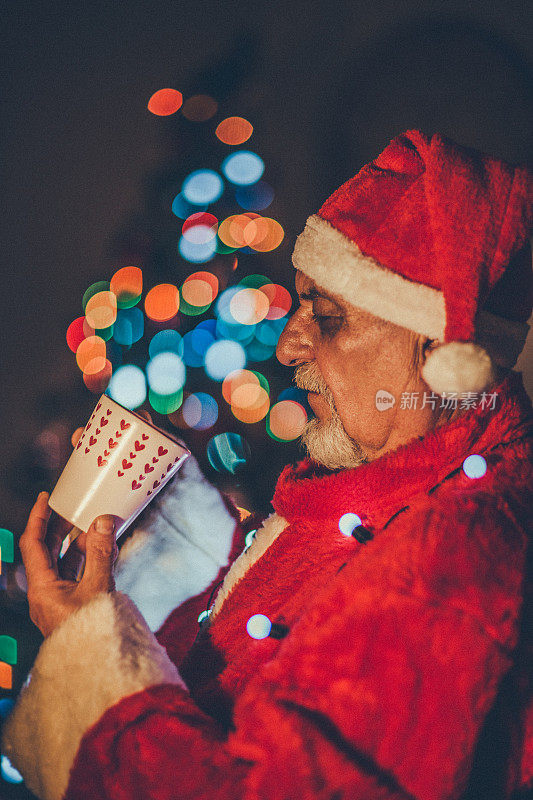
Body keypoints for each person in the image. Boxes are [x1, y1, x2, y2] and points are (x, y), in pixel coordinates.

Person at [3, 130, 533, 800]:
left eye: (328, 318)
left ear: (440, 351)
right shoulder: (394, 483)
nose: (287, 348)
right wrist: (197, 546)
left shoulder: (450, 552)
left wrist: (88, 653)